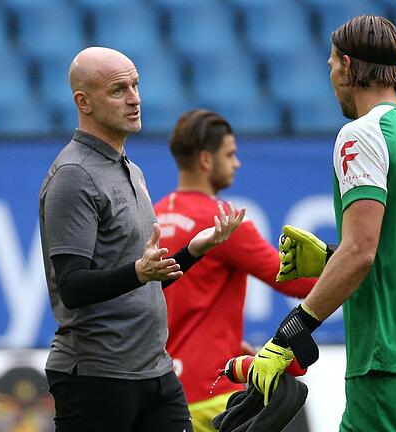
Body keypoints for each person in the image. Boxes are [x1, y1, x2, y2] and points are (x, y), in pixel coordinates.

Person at [249, 15, 396, 431]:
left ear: (347, 66)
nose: (329, 74)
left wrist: (291, 330)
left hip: (386, 352)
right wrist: (330, 256)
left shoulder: (362, 134)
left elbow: (362, 252)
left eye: (330, 63)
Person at [38, 47, 245, 432]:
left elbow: (145, 282)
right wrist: (138, 271)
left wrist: (194, 250)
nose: (135, 98)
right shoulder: (73, 175)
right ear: (83, 102)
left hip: (156, 371)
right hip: (97, 378)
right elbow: (73, 285)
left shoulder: (131, 169)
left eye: (135, 85)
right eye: (118, 90)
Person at [154, 109, 316, 432]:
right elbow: (294, 282)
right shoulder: (222, 223)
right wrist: (348, 265)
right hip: (212, 392)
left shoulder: (154, 216)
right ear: (205, 160)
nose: (237, 163)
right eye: (230, 154)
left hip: (163, 395)